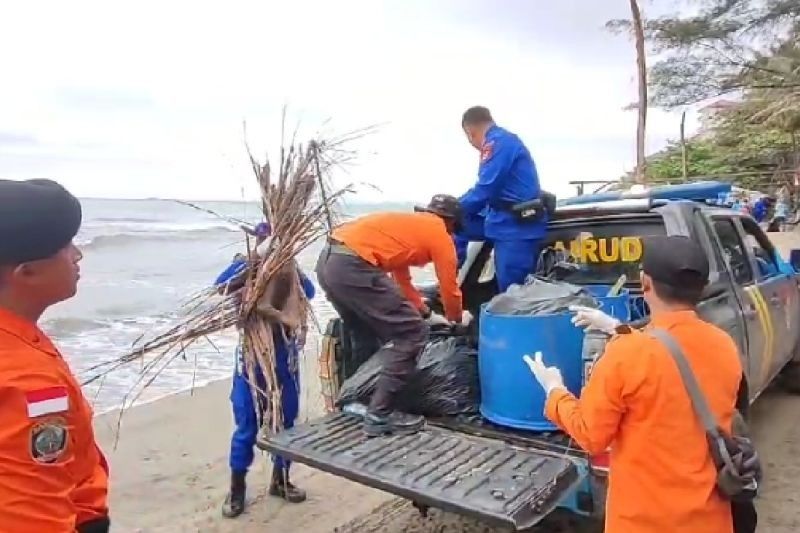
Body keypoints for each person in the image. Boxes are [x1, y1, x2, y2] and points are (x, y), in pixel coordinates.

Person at [524, 235, 743, 533]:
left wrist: (554, 389)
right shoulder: (724, 345)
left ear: (645, 283)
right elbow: (673, 354)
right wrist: (614, 327)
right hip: (709, 518)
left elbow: (591, 435)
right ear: (702, 287)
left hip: (644, 520)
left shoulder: (626, 355)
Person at [0, 179, 110, 532]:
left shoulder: (17, 335)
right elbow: (31, 513)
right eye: (66, 246)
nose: (78, 254)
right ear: (26, 273)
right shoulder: (25, 378)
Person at [315, 194, 466, 437]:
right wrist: (457, 319)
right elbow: (450, 289)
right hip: (354, 266)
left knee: (364, 331)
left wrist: (426, 312)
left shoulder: (406, 228)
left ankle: (356, 400)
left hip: (329, 263)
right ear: (451, 223)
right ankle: (379, 414)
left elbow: (402, 282)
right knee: (413, 334)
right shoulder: (441, 235)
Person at [219, 222, 316, 518]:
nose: (270, 247)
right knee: (246, 424)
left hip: (284, 357)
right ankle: (236, 489)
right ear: (257, 241)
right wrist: (254, 259)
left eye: (275, 243)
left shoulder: (290, 271)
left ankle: (281, 480)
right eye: (265, 242)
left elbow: (309, 292)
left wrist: (290, 266)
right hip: (252, 360)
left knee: (286, 421)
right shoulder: (244, 266)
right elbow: (220, 286)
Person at [458, 106, 548, 291]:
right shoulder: (503, 142)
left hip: (516, 228)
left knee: (512, 295)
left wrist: (455, 208)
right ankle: (450, 285)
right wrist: (451, 214)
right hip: (499, 219)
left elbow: (486, 188)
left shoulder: (498, 143)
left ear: (470, 132)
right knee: (457, 225)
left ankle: (450, 287)